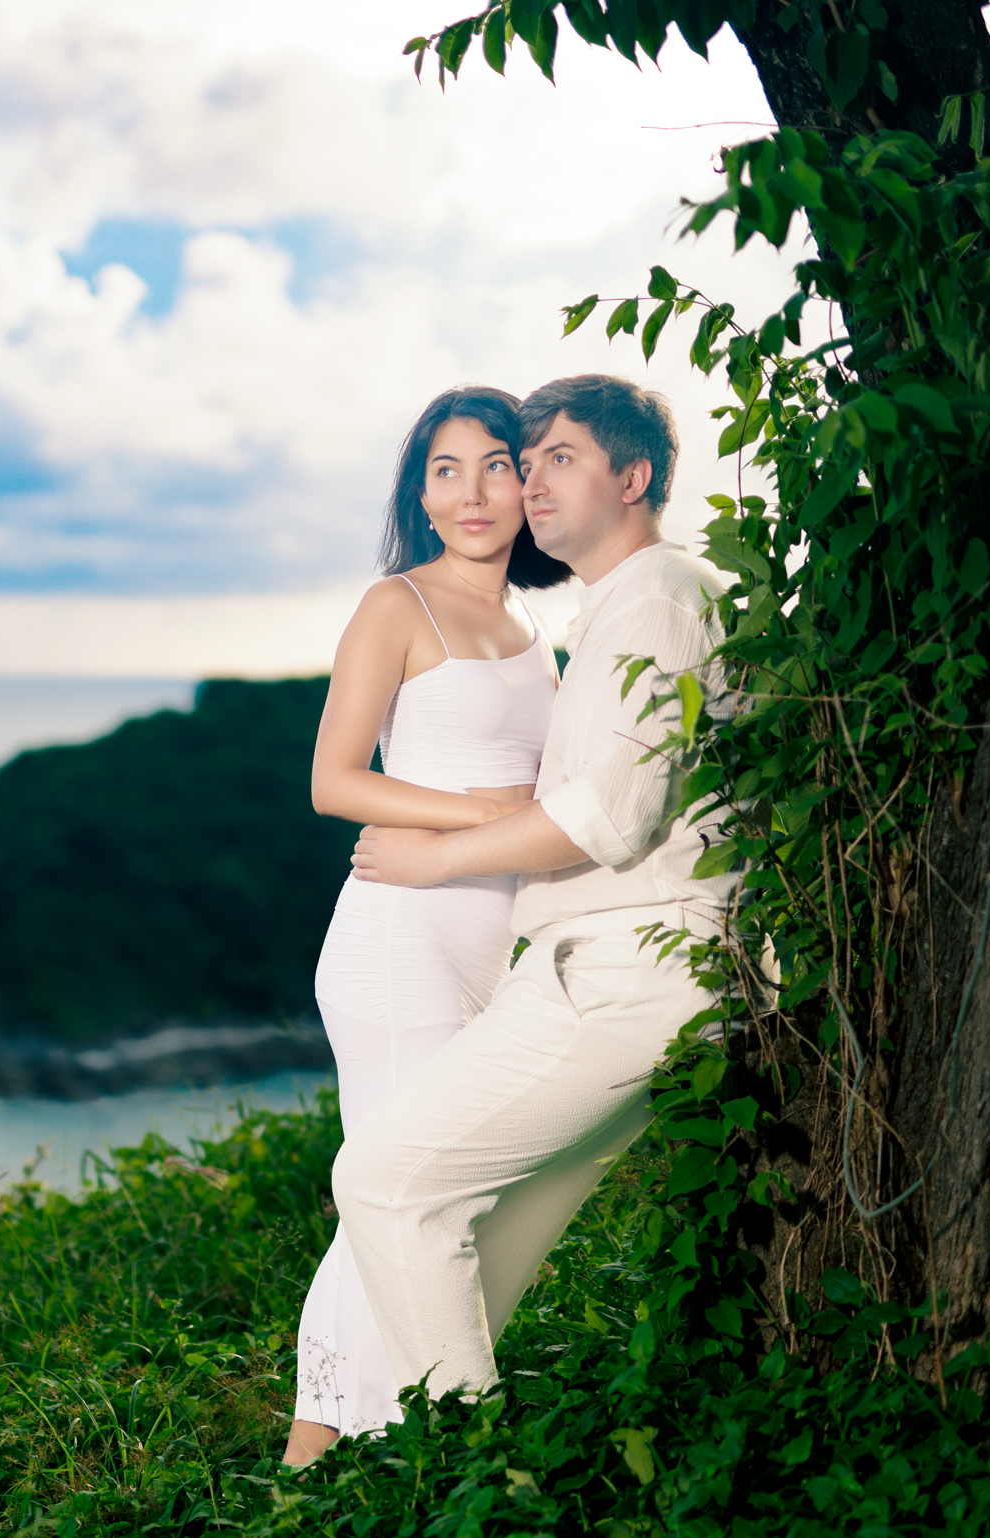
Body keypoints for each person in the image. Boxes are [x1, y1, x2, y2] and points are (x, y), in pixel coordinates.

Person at [333, 373, 737, 1415]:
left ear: (632, 476)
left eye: (549, 458)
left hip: (621, 974)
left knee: (385, 1185)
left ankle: (452, 1473)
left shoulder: (649, 599)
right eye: (530, 460)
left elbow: (608, 815)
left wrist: (438, 850)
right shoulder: (613, 609)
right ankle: (381, 1466)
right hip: (562, 967)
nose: (524, 484)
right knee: (457, 1226)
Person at [285, 386, 571, 1467]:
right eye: (445, 470)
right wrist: (488, 815)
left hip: (488, 950)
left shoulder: (533, 621)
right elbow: (333, 780)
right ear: (420, 492)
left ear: (530, 480)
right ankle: (319, 1468)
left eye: (496, 464)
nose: (473, 492)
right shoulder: (397, 604)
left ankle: (367, 1454)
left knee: (420, 1197)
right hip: (399, 945)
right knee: (403, 1196)